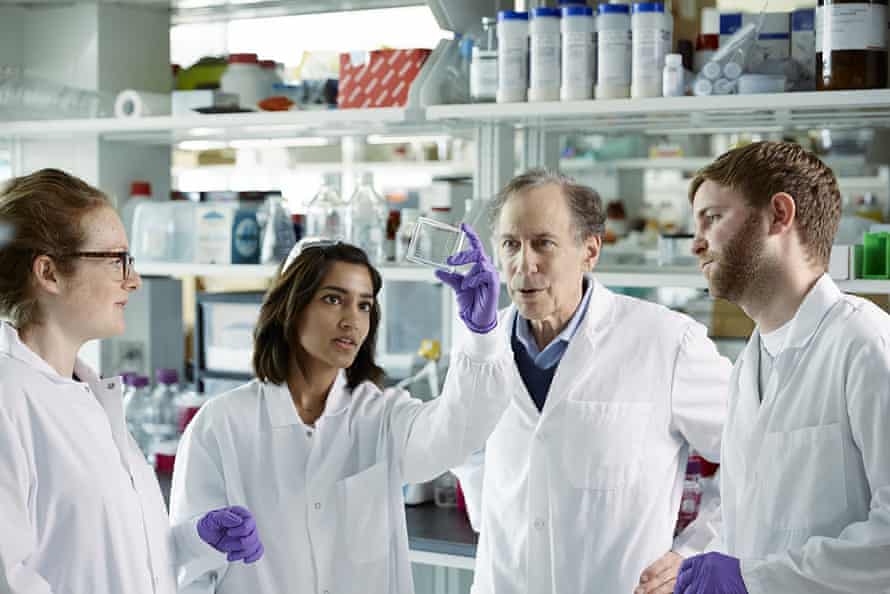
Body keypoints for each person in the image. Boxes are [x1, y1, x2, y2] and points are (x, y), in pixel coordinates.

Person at [169, 234, 510, 593]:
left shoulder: (380, 415)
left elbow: (456, 432)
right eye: (333, 299)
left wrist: (480, 336)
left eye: (364, 305)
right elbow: (188, 567)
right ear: (292, 306)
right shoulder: (221, 424)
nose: (352, 320)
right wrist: (201, 540)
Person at [449, 169, 732, 594]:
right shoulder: (480, 343)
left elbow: (755, 458)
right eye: (511, 244)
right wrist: (495, 510)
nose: (524, 264)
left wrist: (695, 552)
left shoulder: (667, 342)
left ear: (590, 251)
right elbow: (463, 443)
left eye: (544, 243)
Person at [0, 168, 262, 594]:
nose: (133, 280)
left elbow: (105, 554)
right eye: (116, 259)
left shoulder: (86, 393)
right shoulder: (8, 397)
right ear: (48, 273)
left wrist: (195, 540)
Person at [674, 141, 890, 594]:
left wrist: (754, 580)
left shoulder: (865, 344)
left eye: (712, 218)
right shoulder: (748, 365)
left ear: (778, 214)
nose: (696, 243)